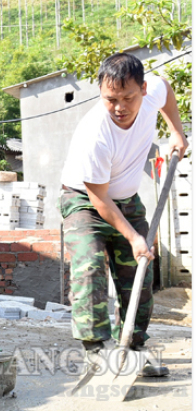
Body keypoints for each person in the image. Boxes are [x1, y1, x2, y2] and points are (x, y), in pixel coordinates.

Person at [59, 53, 188, 377]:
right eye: (110, 99)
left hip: (126, 200)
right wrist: (133, 237)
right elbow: (98, 199)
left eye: (128, 97)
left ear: (143, 89)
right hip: (85, 202)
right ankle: (97, 351)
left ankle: (132, 349)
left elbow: (167, 90)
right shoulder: (95, 134)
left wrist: (176, 131)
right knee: (89, 266)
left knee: (139, 274)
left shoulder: (152, 92)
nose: (119, 107)